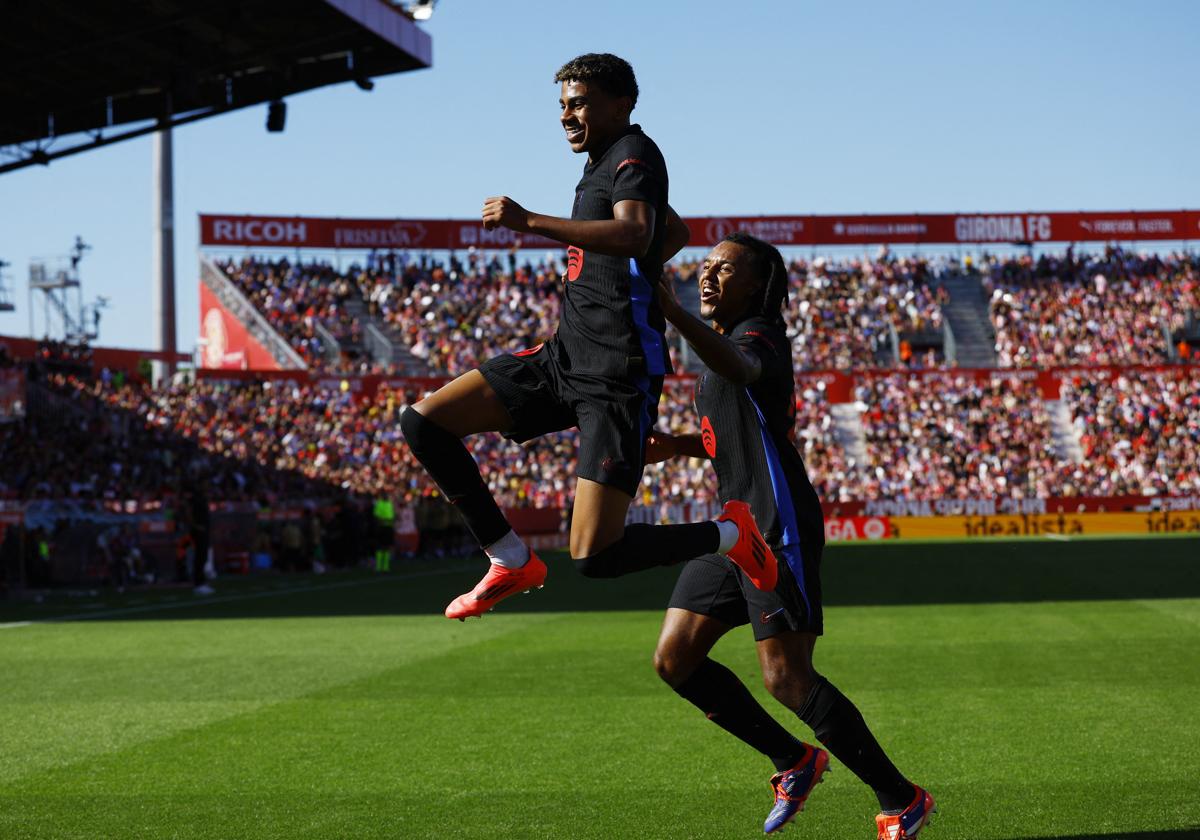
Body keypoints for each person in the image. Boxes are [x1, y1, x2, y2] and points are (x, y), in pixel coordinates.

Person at [400, 53, 774, 620]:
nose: (567, 115)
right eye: (562, 106)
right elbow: (672, 231)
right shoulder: (602, 163)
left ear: (622, 103)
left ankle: (730, 534)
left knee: (594, 554)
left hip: (616, 372)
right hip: (563, 357)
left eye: (579, 103)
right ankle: (508, 557)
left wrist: (529, 222)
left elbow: (636, 230)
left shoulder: (635, 152)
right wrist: (643, 268)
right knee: (423, 421)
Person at [648, 233, 935, 838]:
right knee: (674, 659)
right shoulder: (724, 346)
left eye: (724, 269)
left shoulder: (758, 338)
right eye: (704, 267)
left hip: (776, 526)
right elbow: (739, 434)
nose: (707, 277)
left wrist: (672, 315)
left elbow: (745, 373)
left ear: (756, 284)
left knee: (787, 677)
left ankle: (900, 798)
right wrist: (678, 445)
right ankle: (793, 760)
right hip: (733, 529)